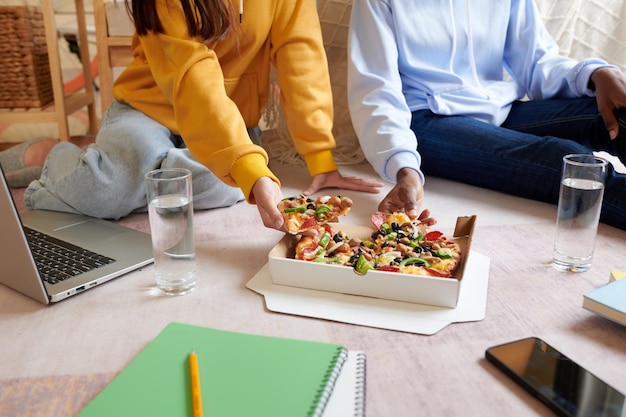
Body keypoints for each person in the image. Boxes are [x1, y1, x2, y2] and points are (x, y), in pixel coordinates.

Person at [1, 0, 382, 230]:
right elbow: (193, 82)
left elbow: (303, 58)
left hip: (229, 121)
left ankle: (145, 166)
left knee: (224, 184)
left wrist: (319, 156)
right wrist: (247, 166)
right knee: (106, 192)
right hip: (149, 108)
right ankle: (49, 154)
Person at [347, 0, 626, 230]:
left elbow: (537, 63)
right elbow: (375, 90)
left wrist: (595, 74)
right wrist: (404, 168)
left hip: (501, 109)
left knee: (618, 113)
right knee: (566, 159)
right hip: (427, 121)